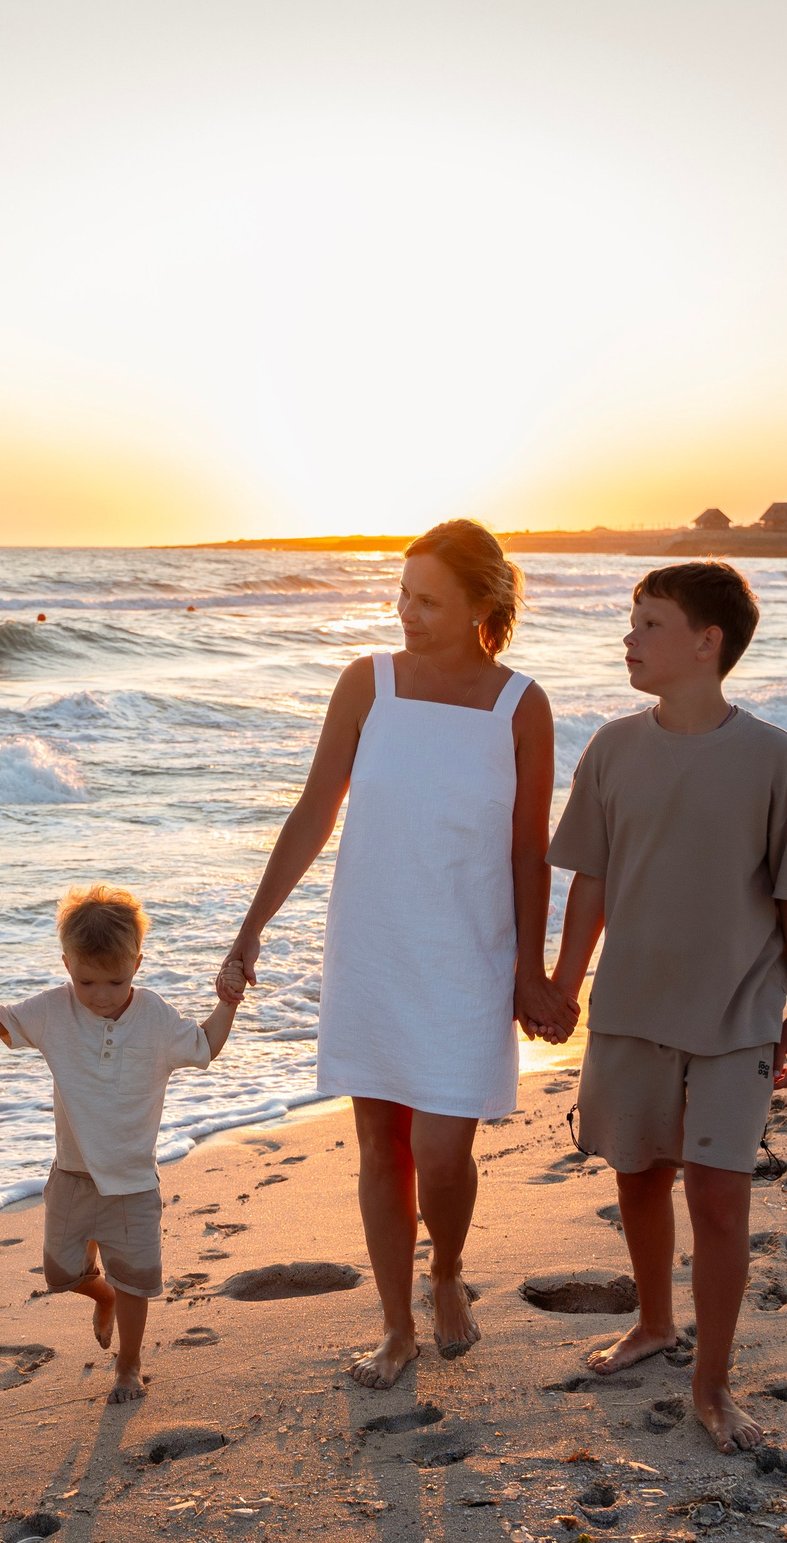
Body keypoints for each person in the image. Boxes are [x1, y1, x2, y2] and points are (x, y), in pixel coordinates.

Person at [218, 520, 561, 1389]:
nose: (407, 612)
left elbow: (529, 849)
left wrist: (531, 969)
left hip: (467, 954)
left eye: (429, 600)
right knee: (381, 1145)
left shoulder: (522, 704)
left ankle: (446, 1268)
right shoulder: (366, 683)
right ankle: (396, 1324)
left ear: (484, 605)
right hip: (374, 944)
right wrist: (252, 924)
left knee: (443, 1151)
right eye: (402, 594)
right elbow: (313, 811)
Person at [544, 559, 787, 1455]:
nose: (630, 637)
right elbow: (590, 880)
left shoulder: (773, 757)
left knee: (720, 1197)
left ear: (707, 644)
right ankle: (656, 1323)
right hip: (630, 1004)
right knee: (636, 1170)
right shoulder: (612, 748)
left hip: (738, 1013)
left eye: (651, 622)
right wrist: (562, 980)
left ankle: (713, 1380)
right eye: (632, 620)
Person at [0, 884, 240, 1404]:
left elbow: (206, 1045)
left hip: (131, 1182)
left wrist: (226, 1002)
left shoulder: (153, 1015)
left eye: (116, 981)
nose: (101, 994)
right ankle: (98, 1294)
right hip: (72, 1175)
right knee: (59, 1271)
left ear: (138, 964)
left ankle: (129, 1366)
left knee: (137, 1280)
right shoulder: (56, 1010)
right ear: (66, 965)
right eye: (86, 980)